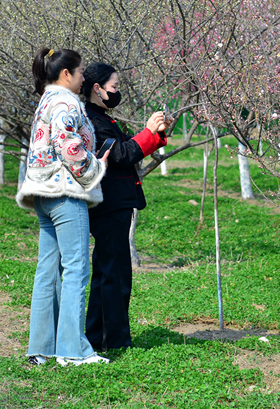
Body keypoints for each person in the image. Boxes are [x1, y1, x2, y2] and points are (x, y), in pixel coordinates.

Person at [16, 48, 110, 366]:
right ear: (66, 73)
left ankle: (41, 349)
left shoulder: (46, 98)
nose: (84, 77)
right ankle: (72, 351)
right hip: (64, 193)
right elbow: (66, 141)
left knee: (47, 272)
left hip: (43, 193)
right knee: (76, 270)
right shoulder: (66, 101)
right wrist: (93, 169)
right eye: (81, 71)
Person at [81, 62, 172, 351]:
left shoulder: (101, 117)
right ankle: (114, 340)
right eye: (115, 87)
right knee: (115, 274)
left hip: (113, 204)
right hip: (109, 206)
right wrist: (148, 131)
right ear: (97, 89)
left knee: (107, 272)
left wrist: (154, 134)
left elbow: (126, 150)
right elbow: (121, 154)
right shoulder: (93, 120)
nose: (118, 92)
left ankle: (98, 337)